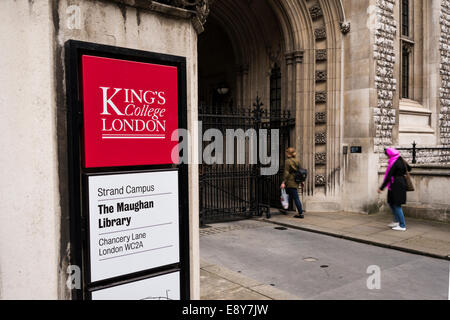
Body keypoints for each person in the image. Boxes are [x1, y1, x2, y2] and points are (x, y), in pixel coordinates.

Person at [378, 148, 412, 231]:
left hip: (396, 185)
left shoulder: (394, 162)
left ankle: (402, 225)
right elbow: (409, 168)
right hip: (398, 184)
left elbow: (388, 176)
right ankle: (396, 221)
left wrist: (381, 188)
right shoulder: (400, 159)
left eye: (387, 155)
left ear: (390, 154)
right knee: (391, 202)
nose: (387, 156)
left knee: (397, 205)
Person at [281, 147, 304, 219]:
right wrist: (302, 181)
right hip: (296, 181)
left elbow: (286, 173)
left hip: (290, 182)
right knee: (286, 195)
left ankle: (300, 213)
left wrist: (283, 182)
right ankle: (285, 209)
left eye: (286, 152)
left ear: (288, 153)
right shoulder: (296, 161)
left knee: (295, 197)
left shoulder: (287, 161)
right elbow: (300, 172)